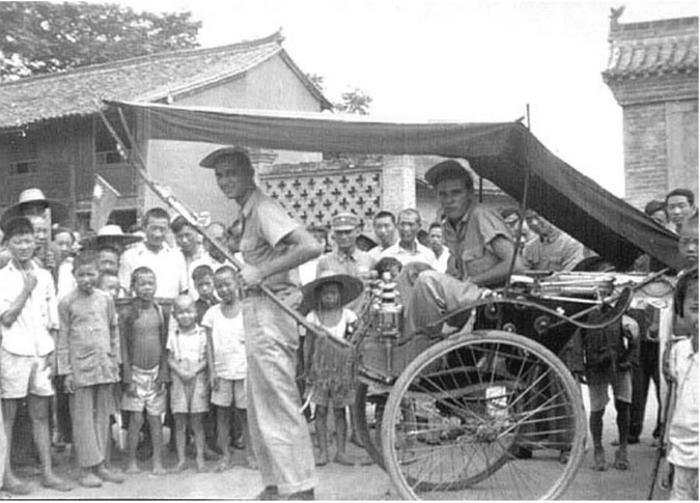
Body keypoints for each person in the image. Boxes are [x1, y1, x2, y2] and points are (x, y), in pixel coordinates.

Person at [200, 146, 320, 500]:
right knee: (259, 405)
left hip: (273, 311)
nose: (225, 181)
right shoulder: (245, 213)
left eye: (231, 173)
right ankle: (275, 484)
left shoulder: (264, 209)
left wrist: (262, 271)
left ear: (249, 174)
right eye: (220, 175)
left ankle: (300, 488)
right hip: (256, 310)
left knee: (279, 401)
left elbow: (311, 246)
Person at [406, 160, 523, 335]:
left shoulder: (481, 215)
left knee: (426, 280)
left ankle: (420, 342)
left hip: (490, 298)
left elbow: (516, 265)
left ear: (470, 193)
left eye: (456, 193)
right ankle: (404, 335)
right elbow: (455, 273)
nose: (449, 200)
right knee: (410, 270)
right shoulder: (448, 226)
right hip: (465, 295)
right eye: (443, 194)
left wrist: (474, 280)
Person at [0, 217, 72, 494]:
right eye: (17, 241)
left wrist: (52, 351)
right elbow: (7, 318)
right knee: (8, 416)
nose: (23, 246)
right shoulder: (3, 277)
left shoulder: (44, 275)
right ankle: (6, 476)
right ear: (8, 244)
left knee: (41, 414)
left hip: (41, 352)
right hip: (12, 351)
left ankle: (48, 473)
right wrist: (26, 288)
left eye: (27, 241)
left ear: (35, 243)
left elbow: (52, 320)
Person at [57, 250, 124, 487]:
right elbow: (63, 337)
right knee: (82, 419)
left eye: (91, 274)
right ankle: (85, 468)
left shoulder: (105, 299)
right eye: (81, 274)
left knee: (103, 417)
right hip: (80, 368)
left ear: (99, 273)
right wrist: (66, 371)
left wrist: (115, 361)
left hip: (104, 366)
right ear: (74, 275)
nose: (87, 279)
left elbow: (113, 331)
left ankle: (102, 465)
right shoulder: (67, 302)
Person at [301, 272, 362, 467]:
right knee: (320, 411)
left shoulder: (347, 315)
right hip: (319, 372)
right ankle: (323, 451)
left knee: (340, 411)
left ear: (340, 295)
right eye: (326, 293)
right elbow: (307, 344)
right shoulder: (313, 317)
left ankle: (341, 452)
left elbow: (359, 335)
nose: (330, 297)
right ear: (319, 296)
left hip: (341, 372)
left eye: (333, 293)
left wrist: (351, 350)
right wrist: (307, 368)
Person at [119, 267, 169, 475]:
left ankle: (158, 462)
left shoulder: (160, 312)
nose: (147, 288)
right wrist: (128, 377)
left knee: (155, 420)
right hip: (135, 374)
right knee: (136, 419)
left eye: (151, 283)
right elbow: (123, 347)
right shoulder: (127, 313)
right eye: (142, 284)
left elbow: (165, 345)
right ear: (133, 287)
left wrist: (163, 374)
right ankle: (131, 462)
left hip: (155, 373)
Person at [202, 266, 253, 471]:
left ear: (238, 283)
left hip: (244, 371)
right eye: (219, 286)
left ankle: (251, 454)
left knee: (246, 415)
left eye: (227, 284)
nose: (223, 290)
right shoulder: (212, 314)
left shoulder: (247, 310)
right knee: (222, 414)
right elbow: (209, 346)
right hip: (221, 372)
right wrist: (212, 372)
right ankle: (225, 456)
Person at [664, 270, 698, 500]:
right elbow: (674, 406)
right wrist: (669, 454)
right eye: (696, 309)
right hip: (682, 458)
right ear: (681, 311)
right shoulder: (679, 352)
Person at [167, 294, 210, 473]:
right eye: (181, 312)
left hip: (197, 376)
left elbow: (206, 358)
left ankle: (200, 458)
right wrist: (180, 372)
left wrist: (194, 371)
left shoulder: (202, 333)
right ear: (174, 315)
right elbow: (170, 358)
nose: (185, 316)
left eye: (189, 311)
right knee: (180, 421)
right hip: (179, 378)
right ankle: (181, 459)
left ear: (195, 312)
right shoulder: (173, 334)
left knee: (197, 422)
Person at [119, 208, 188, 302]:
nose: (157, 234)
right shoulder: (130, 256)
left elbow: (183, 291)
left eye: (162, 229)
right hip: (140, 308)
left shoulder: (177, 256)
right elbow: (124, 290)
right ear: (144, 228)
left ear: (168, 230)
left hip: (171, 308)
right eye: (153, 228)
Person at [316, 212, 375, 314]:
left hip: (364, 317)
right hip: (336, 317)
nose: (343, 237)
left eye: (348, 232)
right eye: (339, 233)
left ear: (357, 232)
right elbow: (319, 295)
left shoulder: (369, 260)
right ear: (333, 235)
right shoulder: (325, 262)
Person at [171, 216, 217, 299]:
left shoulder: (209, 258)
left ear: (196, 232)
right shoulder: (173, 258)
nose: (184, 240)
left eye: (188, 235)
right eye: (180, 236)